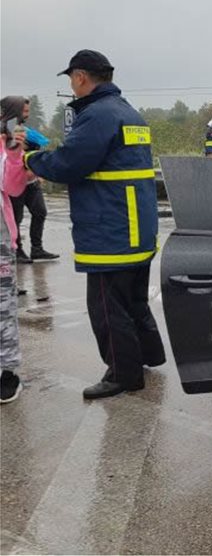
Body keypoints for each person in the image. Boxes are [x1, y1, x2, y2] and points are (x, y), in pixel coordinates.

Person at [24, 50, 166, 399]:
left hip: (111, 228)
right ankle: (147, 354)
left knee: (106, 306)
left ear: (81, 77)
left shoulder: (97, 115)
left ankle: (123, 373)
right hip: (136, 226)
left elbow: (70, 163)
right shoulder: (129, 113)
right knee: (133, 300)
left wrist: (31, 158)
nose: (72, 87)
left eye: (71, 79)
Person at [1, 96, 59, 263]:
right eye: (24, 111)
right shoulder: (7, 131)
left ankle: (37, 248)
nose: (27, 114)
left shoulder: (21, 130)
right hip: (14, 184)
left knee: (40, 212)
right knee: (14, 219)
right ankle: (17, 250)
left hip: (29, 181)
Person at [0, 118, 28, 403]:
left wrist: (15, 153)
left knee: (3, 309)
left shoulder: (5, 147)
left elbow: (13, 187)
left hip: (0, 239)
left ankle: (7, 373)